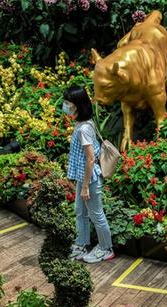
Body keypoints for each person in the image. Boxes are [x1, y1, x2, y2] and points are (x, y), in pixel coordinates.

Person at [64, 86, 114, 263]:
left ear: (77, 105)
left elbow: (90, 159)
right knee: (80, 212)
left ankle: (106, 248)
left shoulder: (84, 128)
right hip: (82, 177)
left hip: (90, 179)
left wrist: (85, 186)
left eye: (68, 102)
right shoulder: (81, 123)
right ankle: (82, 244)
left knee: (96, 214)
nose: (65, 105)